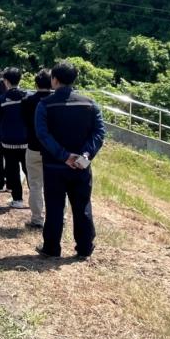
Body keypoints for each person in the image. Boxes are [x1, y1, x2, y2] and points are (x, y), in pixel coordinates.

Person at [35, 61, 106, 259]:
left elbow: (42, 134)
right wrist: (86, 155)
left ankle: (51, 248)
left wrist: (64, 155)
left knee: (54, 207)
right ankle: (84, 248)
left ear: (54, 80)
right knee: (82, 205)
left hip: (54, 165)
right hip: (81, 166)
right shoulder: (90, 104)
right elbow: (99, 133)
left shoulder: (45, 104)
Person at [21, 69, 52, 228]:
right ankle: (60, 217)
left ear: (36, 83)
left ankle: (37, 218)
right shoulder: (56, 101)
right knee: (56, 185)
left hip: (33, 146)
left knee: (35, 185)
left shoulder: (27, 101)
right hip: (53, 149)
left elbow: (24, 121)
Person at [0, 67, 29, 210]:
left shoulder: (2, 99)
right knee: (30, 171)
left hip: (8, 141)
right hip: (27, 141)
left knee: (13, 170)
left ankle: (17, 199)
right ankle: (37, 199)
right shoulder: (28, 97)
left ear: (6, 81)